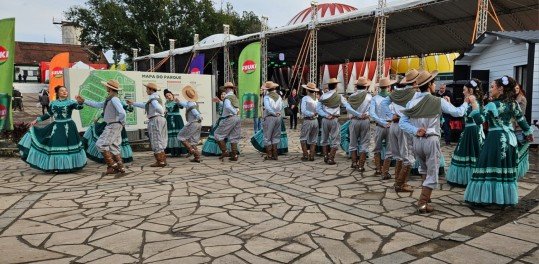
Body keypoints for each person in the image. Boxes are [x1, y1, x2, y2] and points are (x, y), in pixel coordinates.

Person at [400, 70, 470, 213]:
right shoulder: (438, 101)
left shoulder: (411, 103)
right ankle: (422, 202)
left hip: (417, 140)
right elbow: (458, 113)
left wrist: (415, 130)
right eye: (433, 83)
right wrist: (465, 103)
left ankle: (427, 198)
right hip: (431, 139)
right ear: (430, 85)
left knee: (424, 169)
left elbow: (403, 123)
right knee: (432, 172)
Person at [464, 76, 534, 206]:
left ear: (501, 89)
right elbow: (522, 121)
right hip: (510, 140)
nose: (490, 90)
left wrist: (474, 106)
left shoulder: (492, 105)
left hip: (495, 140)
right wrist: (529, 134)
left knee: (489, 166)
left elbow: (480, 120)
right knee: (504, 169)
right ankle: (503, 199)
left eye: (492, 87)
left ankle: (488, 198)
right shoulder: (514, 103)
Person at [18, 85, 86, 173]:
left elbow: (79, 107)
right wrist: (36, 120)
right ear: (57, 93)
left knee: (69, 146)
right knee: (57, 145)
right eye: (62, 91)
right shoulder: (53, 103)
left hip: (69, 127)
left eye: (65, 91)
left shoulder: (71, 102)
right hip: (57, 126)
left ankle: (69, 166)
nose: (64, 92)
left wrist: (80, 102)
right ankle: (56, 166)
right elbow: (48, 114)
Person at [76, 80, 128, 175]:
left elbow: (122, 112)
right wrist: (84, 101)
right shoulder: (111, 99)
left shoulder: (114, 99)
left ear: (110, 88)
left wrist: (122, 122)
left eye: (107, 86)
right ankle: (121, 167)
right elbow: (99, 105)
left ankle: (113, 165)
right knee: (113, 146)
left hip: (113, 124)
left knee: (101, 144)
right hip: (114, 124)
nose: (106, 87)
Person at [380, 69, 419, 191]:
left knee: (398, 156)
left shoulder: (394, 93)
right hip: (405, 125)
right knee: (408, 156)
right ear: (415, 81)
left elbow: (383, 104)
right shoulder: (414, 93)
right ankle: (400, 184)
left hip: (394, 125)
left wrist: (391, 115)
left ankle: (398, 180)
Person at [446, 79, 484, 186]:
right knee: (465, 152)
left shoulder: (473, 100)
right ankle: (467, 177)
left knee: (468, 152)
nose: (463, 92)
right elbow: (460, 112)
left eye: (464, 90)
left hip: (472, 130)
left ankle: (469, 177)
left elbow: (476, 116)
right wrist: (449, 103)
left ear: (470, 90)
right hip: (468, 129)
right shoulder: (469, 100)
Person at [316, 78, 361, 165]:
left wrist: (325, 115)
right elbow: (348, 107)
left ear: (328, 86)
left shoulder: (323, 96)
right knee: (336, 139)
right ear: (336, 86)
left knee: (324, 138)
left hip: (325, 119)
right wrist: (357, 114)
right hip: (334, 119)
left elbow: (318, 109)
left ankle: (325, 156)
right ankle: (331, 158)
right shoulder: (339, 97)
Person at [127, 83, 168, 167]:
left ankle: (160, 161)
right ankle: (163, 159)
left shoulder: (153, 97)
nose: (146, 91)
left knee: (155, 139)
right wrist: (133, 103)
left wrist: (162, 112)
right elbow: (145, 106)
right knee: (160, 139)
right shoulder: (156, 97)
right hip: (160, 119)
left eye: (147, 89)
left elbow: (158, 107)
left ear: (150, 89)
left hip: (155, 119)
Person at [370, 78, 396, 179]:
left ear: (379, 87)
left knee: (377, 148)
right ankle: (385, 172)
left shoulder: (375, 98)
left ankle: (378, 169)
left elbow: (372, 113)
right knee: (390, 150)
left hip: (379, 126)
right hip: (390, 125)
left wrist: (381, 122)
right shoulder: (393, 98)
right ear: (389, 87)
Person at [346, 77, 372, 171]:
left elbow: (348, 109)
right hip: (365, 120)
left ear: (357, 86)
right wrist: (365, 114)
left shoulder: (352, 96)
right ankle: (361, 166)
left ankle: (354, 163)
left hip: (354, 120)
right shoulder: (369, 97)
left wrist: (357, 114)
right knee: (364, 143)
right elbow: (371, 111)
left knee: (353, 142)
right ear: (366, 86)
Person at [202, 89, 237, 156]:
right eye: (221, 94)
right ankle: (219, 150)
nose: (223, 95)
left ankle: (226, 151)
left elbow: (227, 107)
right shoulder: (223, 102)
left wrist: (219, 101)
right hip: (220, 121)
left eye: (224, 94)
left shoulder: (228, 102)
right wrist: (219, 101)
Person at [214, 82, 241, 161]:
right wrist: (236, 113)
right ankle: (234, 155)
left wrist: (234, 112)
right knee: (234, 137)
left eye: (225, 89)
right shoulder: (235, 97)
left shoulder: (227, 97)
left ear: (227, 89)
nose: (225, 90)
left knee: (217, 134)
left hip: (230, 117)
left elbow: (228, 106)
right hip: (237, 118)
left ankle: (225, 151)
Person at [176, 86, 203, 163]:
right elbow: (185, 104)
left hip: (193, 123)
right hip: (198, 124)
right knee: (193, 141)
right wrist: (178, 101)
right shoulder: (193, 103)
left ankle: (191, 151)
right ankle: (197, 157)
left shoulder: (190, 104)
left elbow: (194, 111)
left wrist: (199, 116)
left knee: (181, 136)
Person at [163, 89, 188, 157]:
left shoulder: (176, 100)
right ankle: (172, 151)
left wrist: (178, 103)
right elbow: (167, 110)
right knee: (171, 134)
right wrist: (166, 112)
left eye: (169, 95)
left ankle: (179, 151)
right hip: (169, 119)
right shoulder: (166, 102)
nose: (168, 96)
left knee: (178, 134)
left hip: (177, 119)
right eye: (166, 96)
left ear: (172, 95)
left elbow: (182, 107)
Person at [299, 82, 319, 161]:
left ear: (307, 90)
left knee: (303, 138)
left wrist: (311, 114)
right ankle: (312, 155)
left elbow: (303, 110)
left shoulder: (305, 98)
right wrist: (315, 114)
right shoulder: (316, 99)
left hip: (308, 120)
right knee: (313, 138)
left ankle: (305, 155)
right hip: (315, 120)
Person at [514, 83, 529, 179]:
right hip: (511, 127)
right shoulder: (510, 99)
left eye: (517, 88)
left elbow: (521, 114)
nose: (515, 89)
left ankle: (519, 170)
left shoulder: (522, 99)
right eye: (514, 88)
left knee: (520, 148)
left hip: (518, 127)